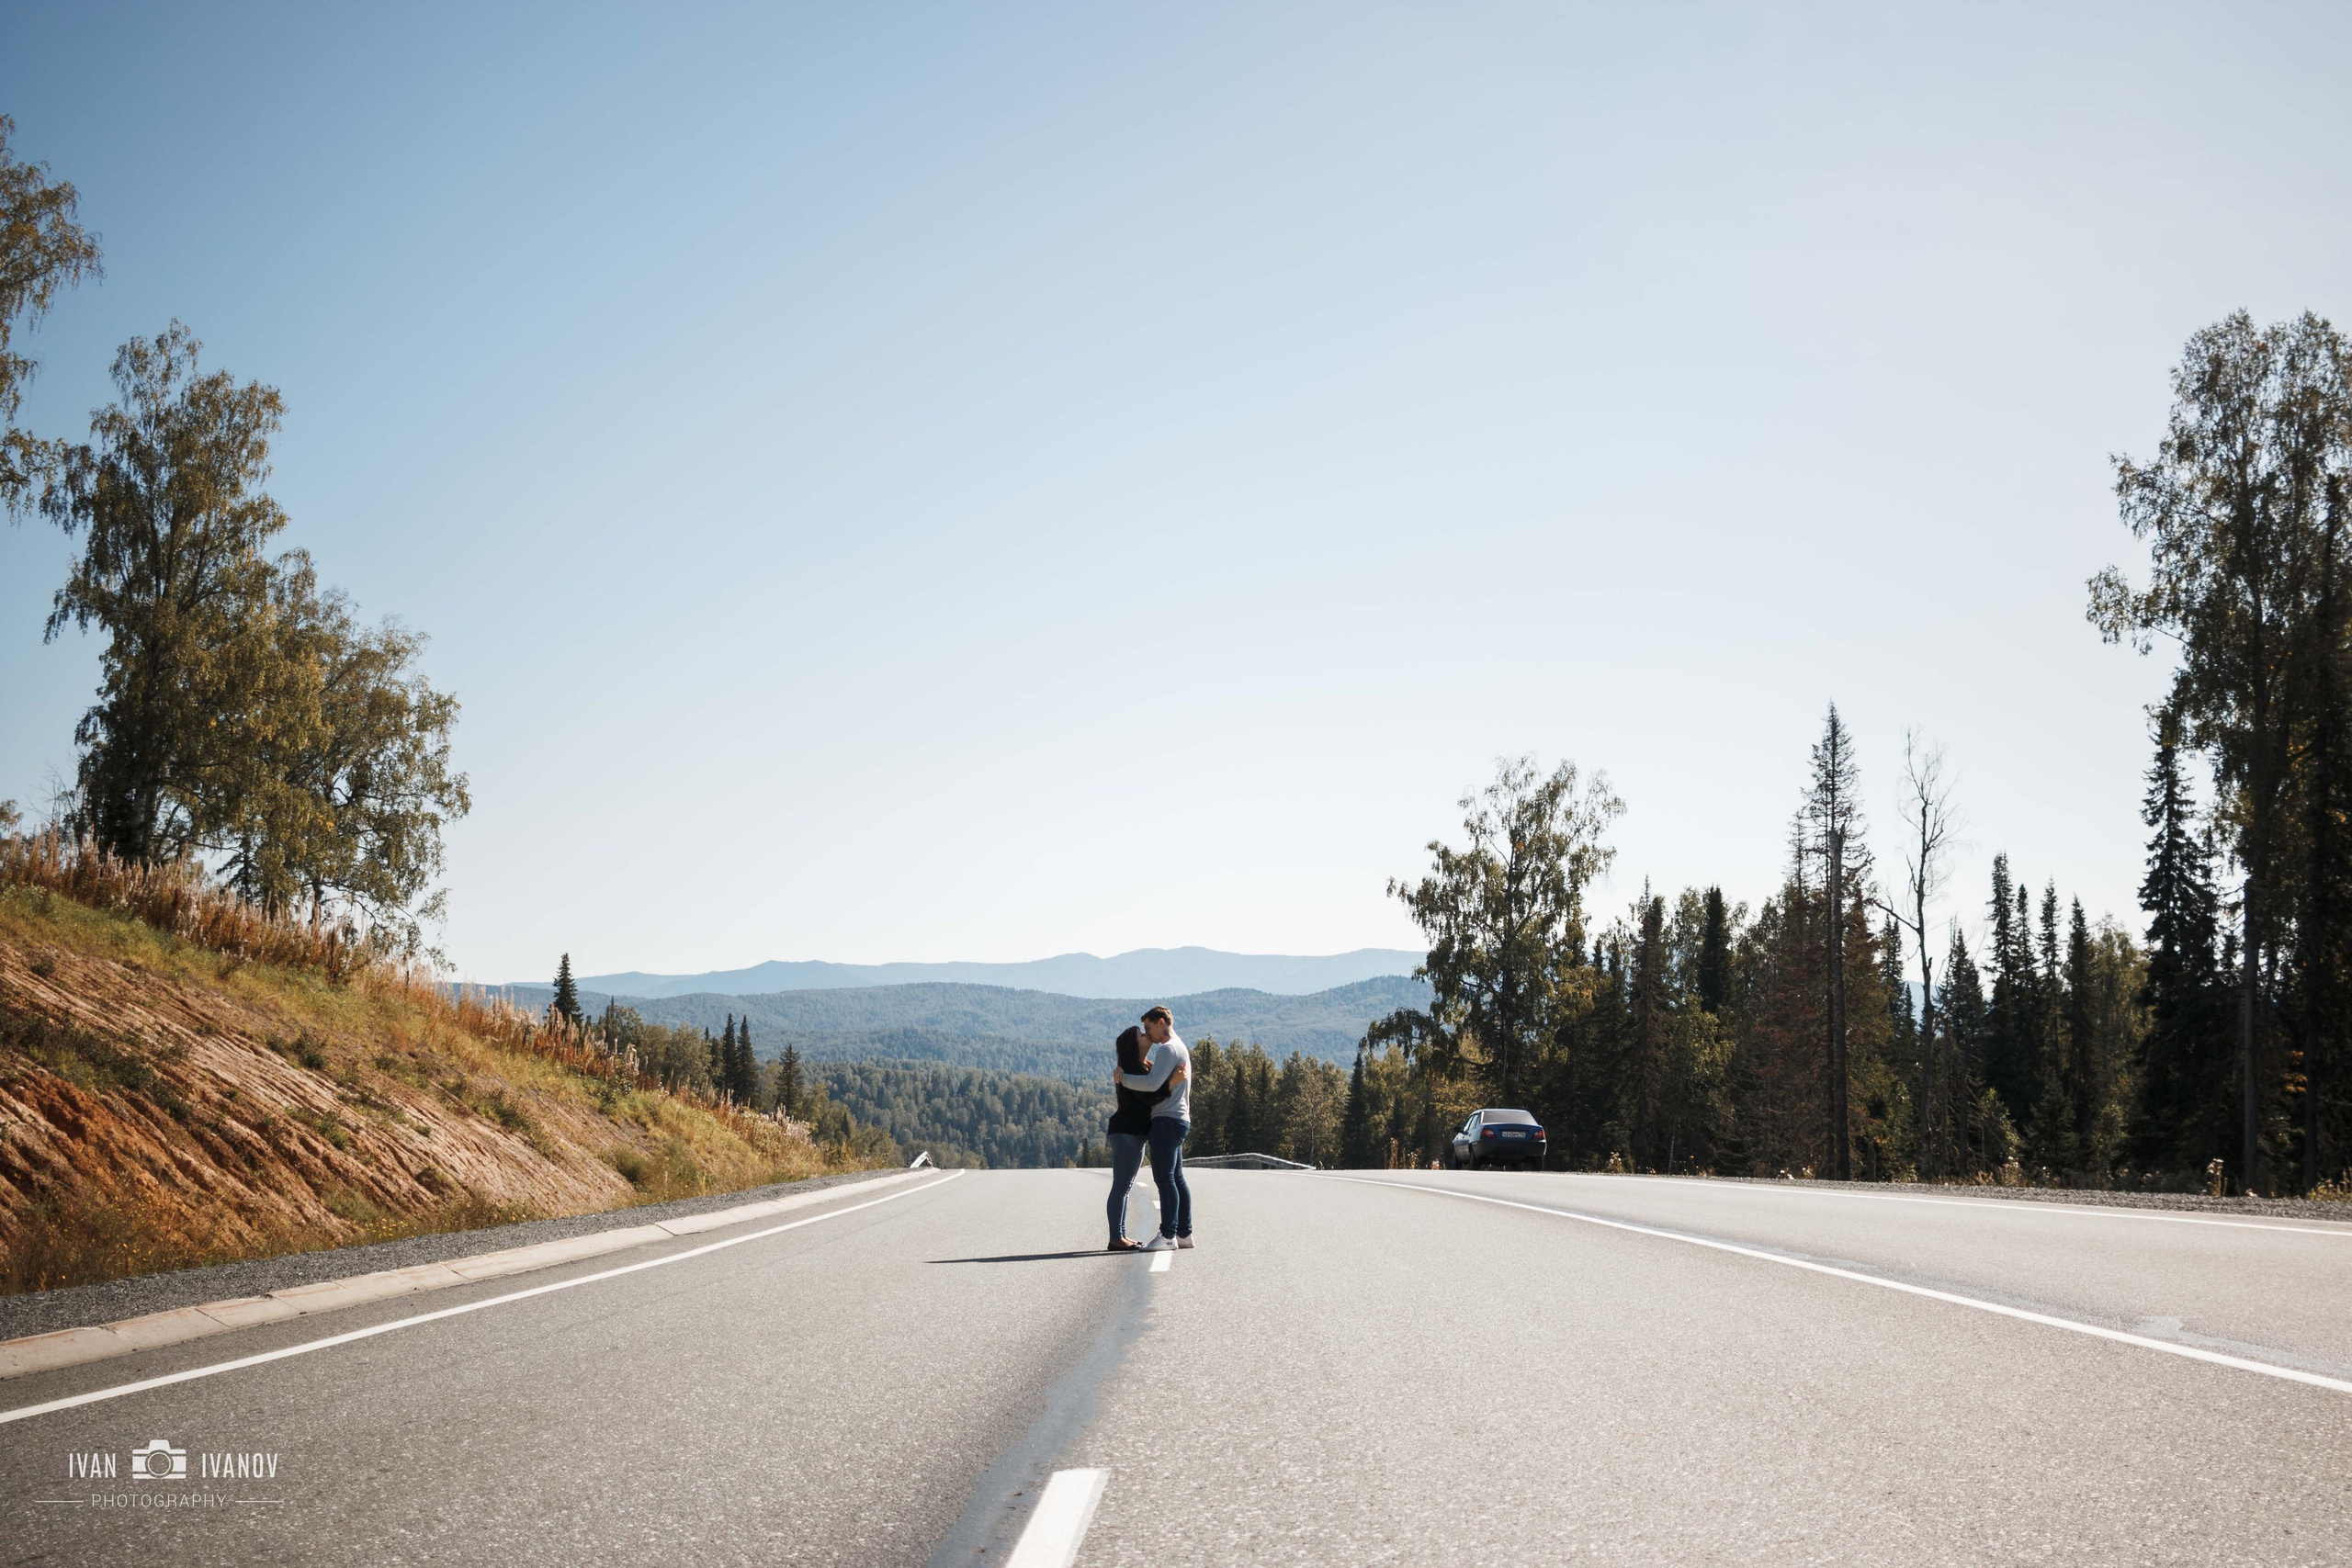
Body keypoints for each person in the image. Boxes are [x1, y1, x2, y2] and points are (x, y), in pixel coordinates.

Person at [1116, 1004, 1193, 1251]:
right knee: (1177, 1178)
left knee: (1165, 1178)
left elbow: (1151, 1085)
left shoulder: (1168, 1050)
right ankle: (1184, 1233)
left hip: (1167, 1119)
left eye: (1149, 1028)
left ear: (1162, 1022)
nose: (1148, 1034)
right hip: (1180, 1118)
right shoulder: (1179, 1046)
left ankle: (1168, 1235)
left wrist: (1123, 1079)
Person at [1103, 1026, 1167, 1251]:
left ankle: (1119, 1235)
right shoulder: (1131, 1069)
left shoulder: (1138, 1067)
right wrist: (1176, 1079)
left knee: (1124, 1187)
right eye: (1141, 1035)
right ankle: (1115, 1237)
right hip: (1127, 1135)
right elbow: (1152, 1097)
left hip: (1131, 1134)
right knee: (1121, 1187)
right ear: (1133, 1045)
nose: (1146, 1036)